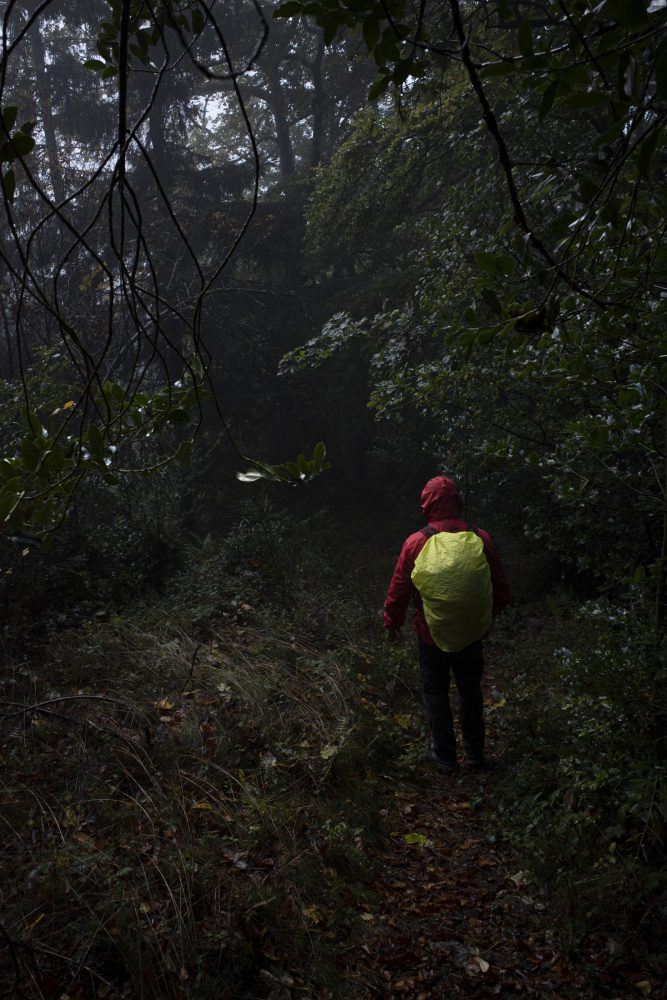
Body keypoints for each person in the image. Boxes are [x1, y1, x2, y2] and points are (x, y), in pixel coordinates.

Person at [383, 475, 510, 770]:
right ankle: (475, 754)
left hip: (430, 632)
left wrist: (392, 623)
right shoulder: (481, 538)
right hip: (471, 633)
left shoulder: (416, 542)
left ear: (426, 504)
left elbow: (398, 591)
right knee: (470, 689)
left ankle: (445, 755)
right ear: (458, 501)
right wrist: (486, 620)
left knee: (435, 690)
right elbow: (500, 588)